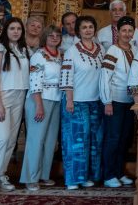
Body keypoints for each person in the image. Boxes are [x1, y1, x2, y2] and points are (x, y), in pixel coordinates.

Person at [0, 17, 29, 197]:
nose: (16, 32)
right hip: (2, 96)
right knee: (1, 138)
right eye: (12, 28)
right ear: (5, 30)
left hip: (19, 96)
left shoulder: (23, 50)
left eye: (19, 29)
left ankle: (1, 174)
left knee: (10, 140)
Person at [60, 15, 105, 190]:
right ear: (78, 31)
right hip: (77, 101)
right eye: (84, 27)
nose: (88, 30)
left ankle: (87, 176)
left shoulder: (100, 49)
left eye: (90, 27)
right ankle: (72, 179)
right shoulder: (72, 51)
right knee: (76, 140)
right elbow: (66, 77)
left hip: (95, 101)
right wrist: (69, 100)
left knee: (93, 141)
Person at [20, 25, 62, 191]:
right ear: (45, 37)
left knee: (50, 140)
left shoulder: (60, 55)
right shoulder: (39, 55)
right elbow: (35, 81)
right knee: (36, 140)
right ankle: (30, 177)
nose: (54, 38)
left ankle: (43, 175)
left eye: (57, 35)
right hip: (39, 100)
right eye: (51, 35)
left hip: (56, 99)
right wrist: (38, 105)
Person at [100, 16, 138, 188]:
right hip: (114, 101)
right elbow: (105, 77)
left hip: (129, 102)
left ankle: (119, 172)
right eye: (124, 30)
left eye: (130, 31)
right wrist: (107, 101)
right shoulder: (113, 51)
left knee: (124, 138)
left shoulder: (135, 50)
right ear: (118, 32)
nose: (127, 34)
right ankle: (108, 175)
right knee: (113, 138)